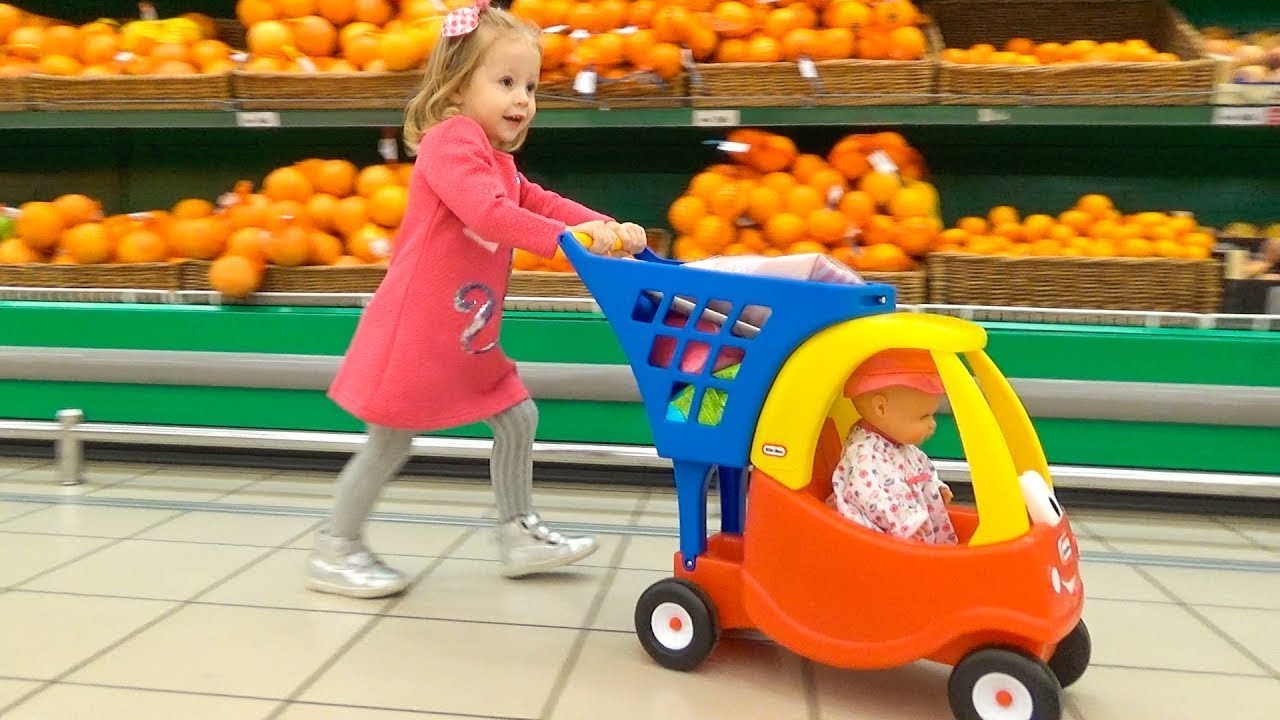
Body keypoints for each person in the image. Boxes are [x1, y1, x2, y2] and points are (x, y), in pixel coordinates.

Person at [310, 0, 648, 598]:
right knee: (390, 442)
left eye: (531, 86)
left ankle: (517, 532)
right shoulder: (450, 142)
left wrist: (608, 226)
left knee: (517, 416)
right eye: (506, 82)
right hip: (415, 333)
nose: (523, 99)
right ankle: (336, 548)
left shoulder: (493, 155)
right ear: (458, 85)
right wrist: (570, 242)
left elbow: (537, 201)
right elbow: (490, 215)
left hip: (465, 333)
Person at [830, 349, 959, 545]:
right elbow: (868, 496)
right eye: (923, 416)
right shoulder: (863, 452)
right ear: (881, 408)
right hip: (881, 538)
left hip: (911, 532)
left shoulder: (900, 444)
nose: (933, 424)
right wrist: (904, 522)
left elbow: (921, 467)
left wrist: (935, 486)